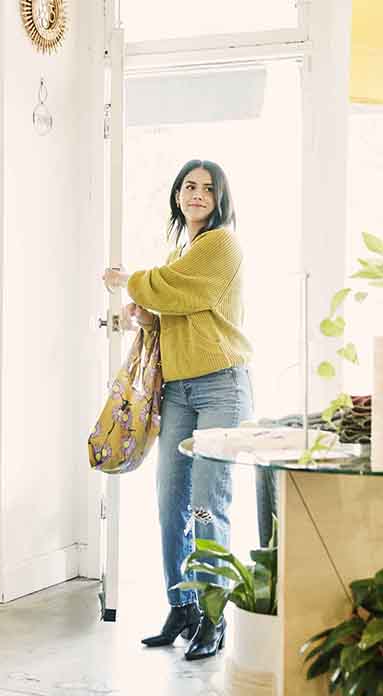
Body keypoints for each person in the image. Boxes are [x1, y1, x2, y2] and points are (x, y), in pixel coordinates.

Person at [102, 159, 268, 661]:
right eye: (189, 186)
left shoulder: (221, 244)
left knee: (206, 505)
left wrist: (130, 282)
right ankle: (183, 606)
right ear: (177, 195)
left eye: (207, 188)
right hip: (179, 389)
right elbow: (178, 308)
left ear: (220, 199)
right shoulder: (183, 251)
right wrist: (148, 317)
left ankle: (214, 618)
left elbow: (177, 289)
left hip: (222, 386)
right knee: (169, 501)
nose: (197, 194)